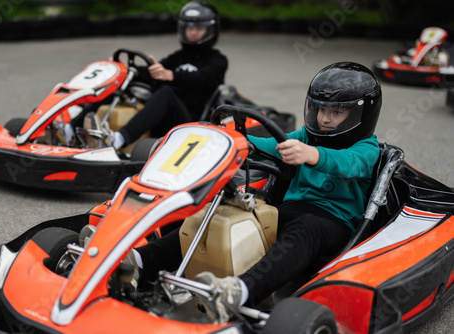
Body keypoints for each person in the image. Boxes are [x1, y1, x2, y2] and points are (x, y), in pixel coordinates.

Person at [123, 62, 382, 323]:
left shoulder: (366, 148)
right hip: (288, 212)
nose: (325, 119)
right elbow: (269, 145)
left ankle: (238, 292)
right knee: (221, 216)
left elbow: (348, 163)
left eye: (337, 112)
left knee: (305, 228)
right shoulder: (307, 136)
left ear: (362, 114)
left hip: (334, 223)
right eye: (322, 109)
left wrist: (312, 154)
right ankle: (138, 261)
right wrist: (236, 142)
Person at [60, 1, 228, 149]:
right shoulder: (177, 57)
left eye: (198, 28)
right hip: (161, 116)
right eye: (189, 27)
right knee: (121, 83)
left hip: (189, 123)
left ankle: (118, 139)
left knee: (166, 93)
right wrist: (126, 70)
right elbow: (152, 73)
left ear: (211, 30)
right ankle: (70, 129)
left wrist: (172, 76)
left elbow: (203, 80)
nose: (192, 32)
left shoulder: (218, 60)